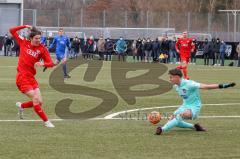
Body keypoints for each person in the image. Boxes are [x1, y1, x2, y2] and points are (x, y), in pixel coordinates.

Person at [155, 68, 236, 135]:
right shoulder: (176, 86)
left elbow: (206, 86)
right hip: (184, 106)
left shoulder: (190, 84)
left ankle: (162, 129)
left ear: (177, 77)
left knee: (181, 116)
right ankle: (194, 127)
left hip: (194, 107)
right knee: (172, 119)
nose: (170, 79)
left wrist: (222, 86)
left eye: (171, 77)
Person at [9, 25, 55, 128]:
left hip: (31, 78)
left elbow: (51, 63)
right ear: (31, 38)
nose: (38, 40)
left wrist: (43, 64)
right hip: (21, 77)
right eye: (36, 38)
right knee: (36, 99)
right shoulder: (23, 42)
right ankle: (46, 121)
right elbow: (11, 30)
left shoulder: (42, 49)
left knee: (40, 102)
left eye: (40, 38)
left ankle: (21, 106)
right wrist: (24, 26)